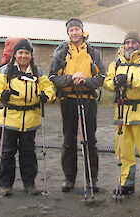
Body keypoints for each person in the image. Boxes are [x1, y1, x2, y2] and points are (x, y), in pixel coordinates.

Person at [0, 39, 55, 196]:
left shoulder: (38, 72)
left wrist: (47, 96)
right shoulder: (4, 71)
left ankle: (29, 184)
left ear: (31, 55)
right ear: (15, 54)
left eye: (27, 53)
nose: (24, 56)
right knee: (6, 153)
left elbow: (49, 88)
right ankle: (5, 186)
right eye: (20, 53)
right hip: (8, 118)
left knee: (28, 153)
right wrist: (0, 95)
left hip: (31, 119)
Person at [49, 18, 105, 192]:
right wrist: (70, 79)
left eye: (76, 30)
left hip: (88, 100)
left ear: (82, 31)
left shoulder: (93, 52)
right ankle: (69, 178)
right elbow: (52, 77)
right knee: (69, 140)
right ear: (68, 33)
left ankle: (92, 179)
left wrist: (86, 81)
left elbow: (102, 77)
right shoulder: (61, 52)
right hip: (68, 100)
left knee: (90, 140)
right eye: (70, 30)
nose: (74, 33)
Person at [103, 31, 140, 199]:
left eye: (133, 42)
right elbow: (107, 82)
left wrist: (128, 79)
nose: (129, 45)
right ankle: (126, 184)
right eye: (127, 42)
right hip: (122, 112)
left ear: (139, 43)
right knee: (123, 151)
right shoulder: (116, 62)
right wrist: (114, 82)